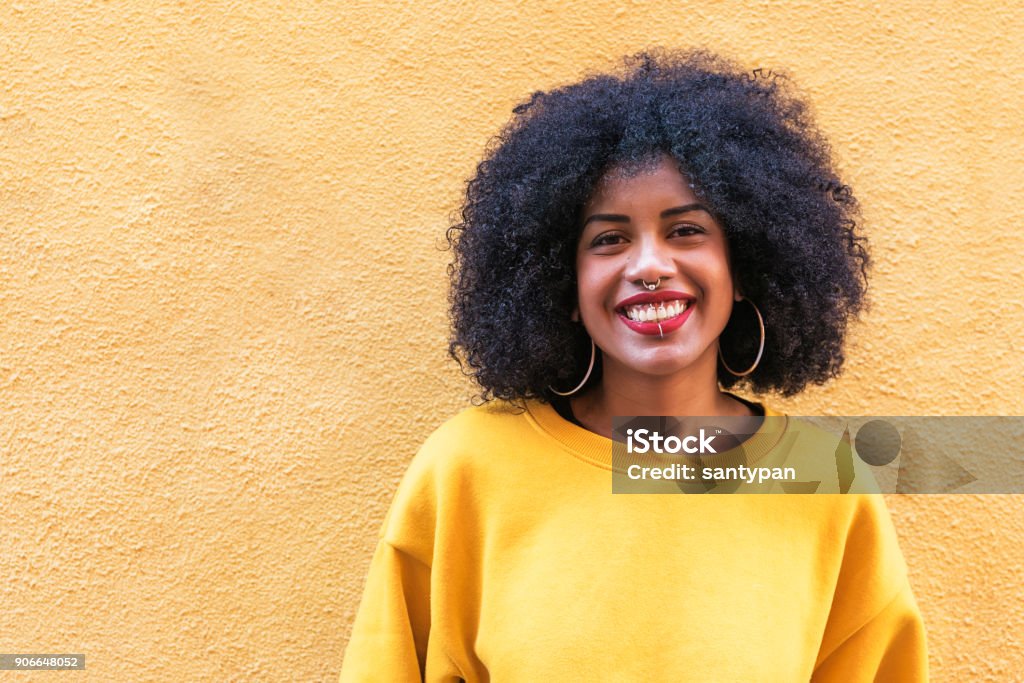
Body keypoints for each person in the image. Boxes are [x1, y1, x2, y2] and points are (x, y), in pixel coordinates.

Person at [340, 48, 928, 681]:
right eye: (609, 238)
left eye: (686, 231)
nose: (648, 266)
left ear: (745, 267)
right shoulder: (466, 469)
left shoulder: (823, 481)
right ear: (561, 285)